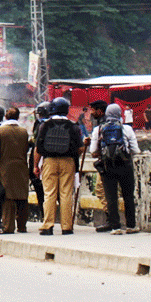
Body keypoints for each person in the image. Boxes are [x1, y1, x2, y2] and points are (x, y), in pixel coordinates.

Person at [33, 97, 84, 235]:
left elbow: (38, 148)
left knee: (49, 193)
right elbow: (80, 148)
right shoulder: (73, 126)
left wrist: (35, 166)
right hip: (68, 162)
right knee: (66, 193)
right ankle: (66, 226)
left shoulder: (45, 125)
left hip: (49, 161)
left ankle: (47, 226)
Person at [90, 104, 140, 235]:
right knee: (128, 195)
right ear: (120, 114)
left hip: (107, 166)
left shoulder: (99, 129)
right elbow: (135, 150)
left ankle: (115, 227)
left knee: (111, 196)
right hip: (125, 164)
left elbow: (93, 150)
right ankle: (131, 226)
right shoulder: (127, 129)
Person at [0, 107, 30, 234]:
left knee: (7, 197)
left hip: (5, 168)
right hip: (21, 166)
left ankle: (8, 227)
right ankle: (22, 226)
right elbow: (25, 150)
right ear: (18, 117)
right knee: (22, 196)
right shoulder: (23, 131)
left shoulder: (0, 131)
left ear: (6, 117)